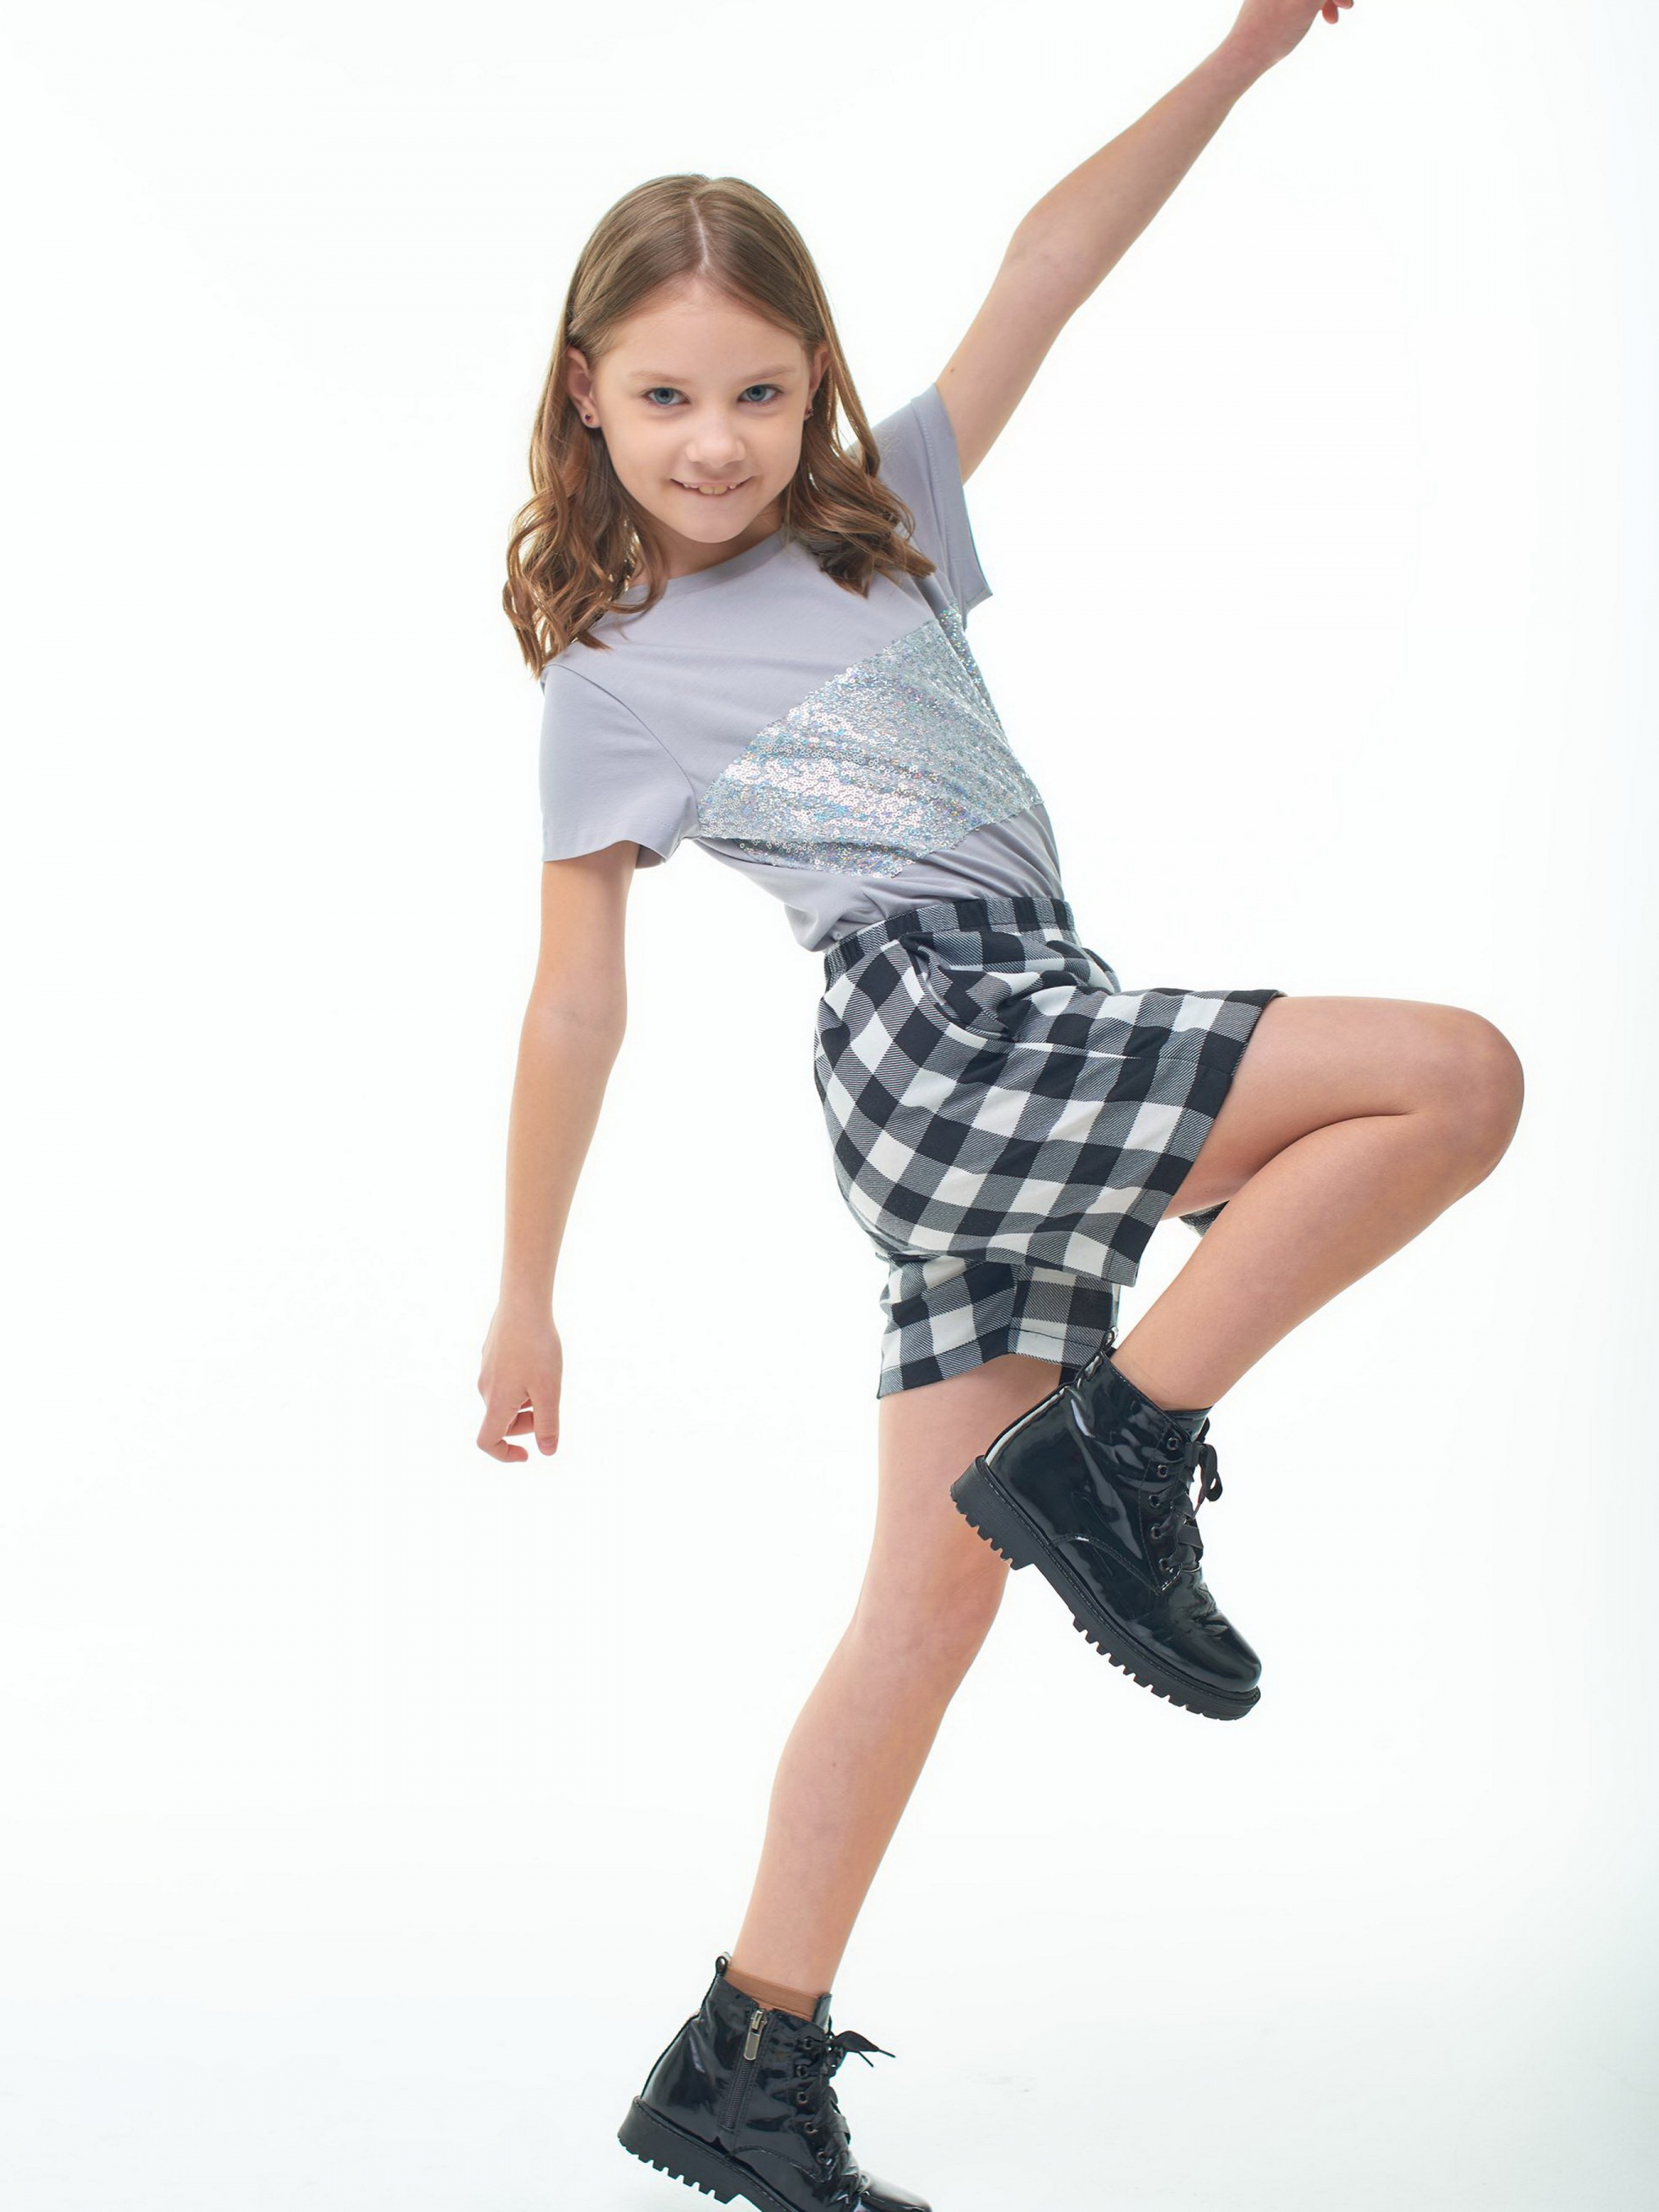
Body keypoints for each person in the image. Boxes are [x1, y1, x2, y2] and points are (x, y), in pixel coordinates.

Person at [478, 5, 1523, 2205]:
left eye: (760, 392)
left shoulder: (887, 524)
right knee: (1448, 1076)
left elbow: (1051, 258)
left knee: (925, 1606)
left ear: (815, 388)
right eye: (664, 396)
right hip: (935, 1049)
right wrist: (525, 1293)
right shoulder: (607, 678)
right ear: (584, 392)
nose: (714, 440)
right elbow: (575, 1006)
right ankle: (1118, 1451)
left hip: (1032, 1023)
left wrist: (1242, 50)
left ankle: (742, 2057)